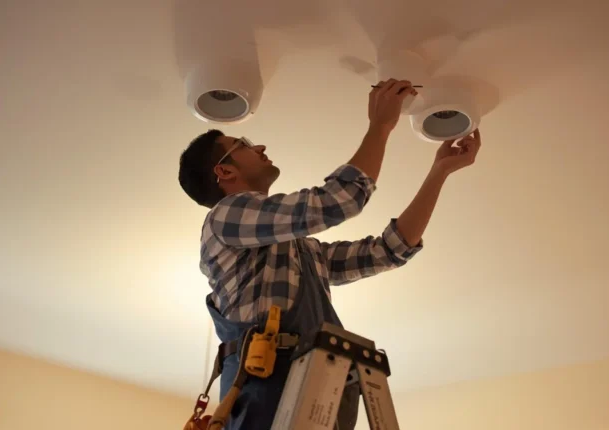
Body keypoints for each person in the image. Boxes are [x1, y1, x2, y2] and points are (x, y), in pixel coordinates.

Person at [178, 78, 482, 429]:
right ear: (225, 171)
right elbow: (337, 201)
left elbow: (387, 250)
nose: (258, 145)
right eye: (242, 144)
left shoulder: (301, 251)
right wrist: (380, 127)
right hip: (265, 391)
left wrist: (439, 172)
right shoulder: (225, 216)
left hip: (318, 389)